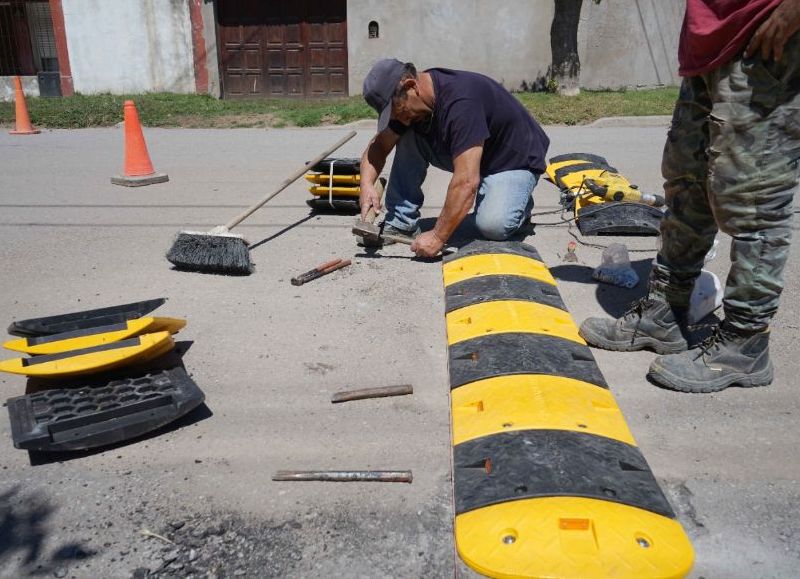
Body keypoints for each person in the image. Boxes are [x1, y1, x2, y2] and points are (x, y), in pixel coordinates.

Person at [579, 0, 800, 393]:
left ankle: (745, 342)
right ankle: (665, 310)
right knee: (687, 183)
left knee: (753, 196)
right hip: (707, 43)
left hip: (765, 34)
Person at [358, 59, 550, 258]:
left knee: (494, 226)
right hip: (474, 153)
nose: (400, 120)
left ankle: (519, 207)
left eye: (400, 111)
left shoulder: (462, 103)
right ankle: (401, 223)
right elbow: (379, 146)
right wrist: (366, 185)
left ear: (411, 86)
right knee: (407, 133)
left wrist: (438, 236)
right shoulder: (412, 104)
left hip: (512, 160)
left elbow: (466, 182)